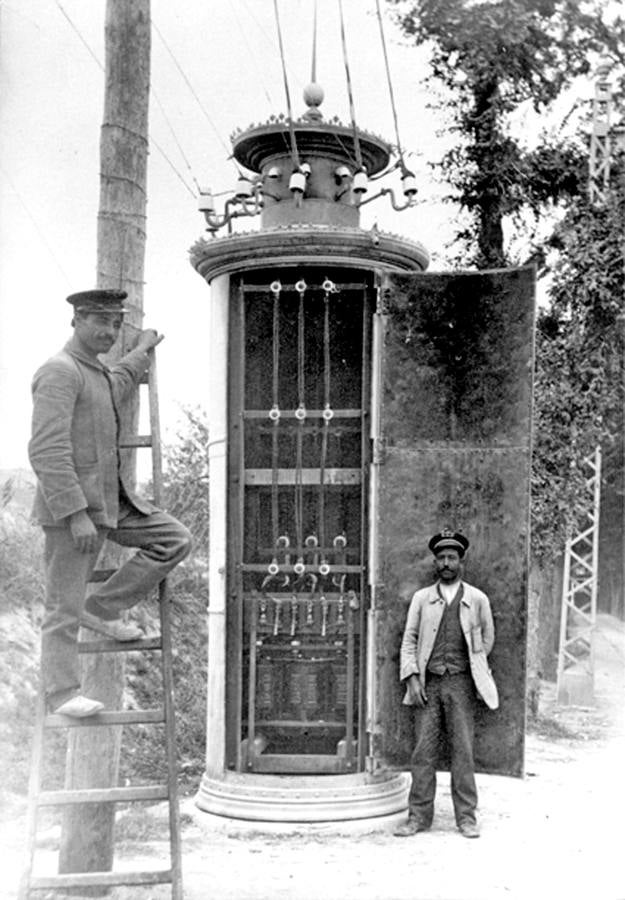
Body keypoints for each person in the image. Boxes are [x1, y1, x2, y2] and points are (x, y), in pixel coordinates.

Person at [29, 289, 192, 719]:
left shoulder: (94, 373)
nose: (108, 332)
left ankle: (100, 608)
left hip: (111, 504)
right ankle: (61, 695)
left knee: (174, 539)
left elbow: (118, 380)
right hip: (75, 514)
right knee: (62, 607)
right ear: (76, 321)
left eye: (116, 324)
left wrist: (141, 350)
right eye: (99, 322)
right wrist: (75, 513)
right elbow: (46, 450)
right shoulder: (59, 372)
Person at [394, 529, 498, 839]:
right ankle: (418, 818)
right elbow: (409, 639)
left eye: (452, 557)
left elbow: (488, 639)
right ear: (435, 562)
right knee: (423, 752)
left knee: (463, 752)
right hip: (428, 685)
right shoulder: (422, 599)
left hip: (462, 686)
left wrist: (472, 667)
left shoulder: (477, 599)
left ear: (461, 561)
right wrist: (412, 677)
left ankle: (466, 818)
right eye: (441, 558)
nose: (446, 563)